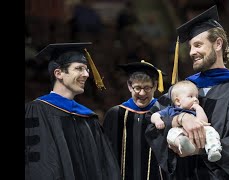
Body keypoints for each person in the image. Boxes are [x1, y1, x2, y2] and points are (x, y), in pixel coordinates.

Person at [145, 5, 229, 180]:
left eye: (198, 45)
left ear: (218, 43)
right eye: (191, 47)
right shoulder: (184, 88)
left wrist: (198, 148)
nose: (192, 52)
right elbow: (151, 122)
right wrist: (181, 118)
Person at [25, 42, 121, 180]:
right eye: (79, 68)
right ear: (58, 73)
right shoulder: (37, 111)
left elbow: (105, 166)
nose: (86, 74)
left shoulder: (88, 118)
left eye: (86, 69)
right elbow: (39, 165)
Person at [102, 60, 170, 180]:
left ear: (155, 86)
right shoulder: (116, 114)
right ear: (129, 86)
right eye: (137, 88)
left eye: (147, 88)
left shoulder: (164, 113)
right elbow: (106, 153)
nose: (142, 93)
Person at [151, 80, 222, 162]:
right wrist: (157, 121)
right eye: (191, 96)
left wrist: (198, 108)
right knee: (171, 134)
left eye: (196, 97)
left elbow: (203, 121)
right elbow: (154, 115)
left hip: (197, 131)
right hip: (179, 130)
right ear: (178, 101)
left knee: (210, 130)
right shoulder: (170, 110)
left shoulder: (195, 110)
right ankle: (183, 145)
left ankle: (213, 150)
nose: (195, 99)